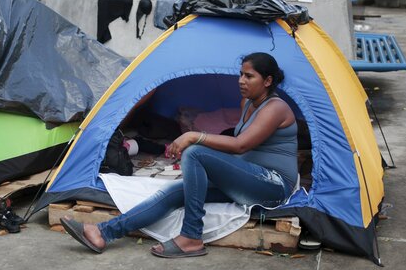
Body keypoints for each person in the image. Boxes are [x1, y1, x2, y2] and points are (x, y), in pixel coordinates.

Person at [60, 52, 298, 258]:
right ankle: (103, 233)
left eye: (249, 76)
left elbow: (240, 145)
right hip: (247, 179)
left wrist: (193, 136)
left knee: (195, 151)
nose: (241, 81)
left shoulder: (276, 107)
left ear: (267, 81)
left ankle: (191, 237)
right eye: (241, 74)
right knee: (175, 192)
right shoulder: (247, 101)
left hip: (272, 186)